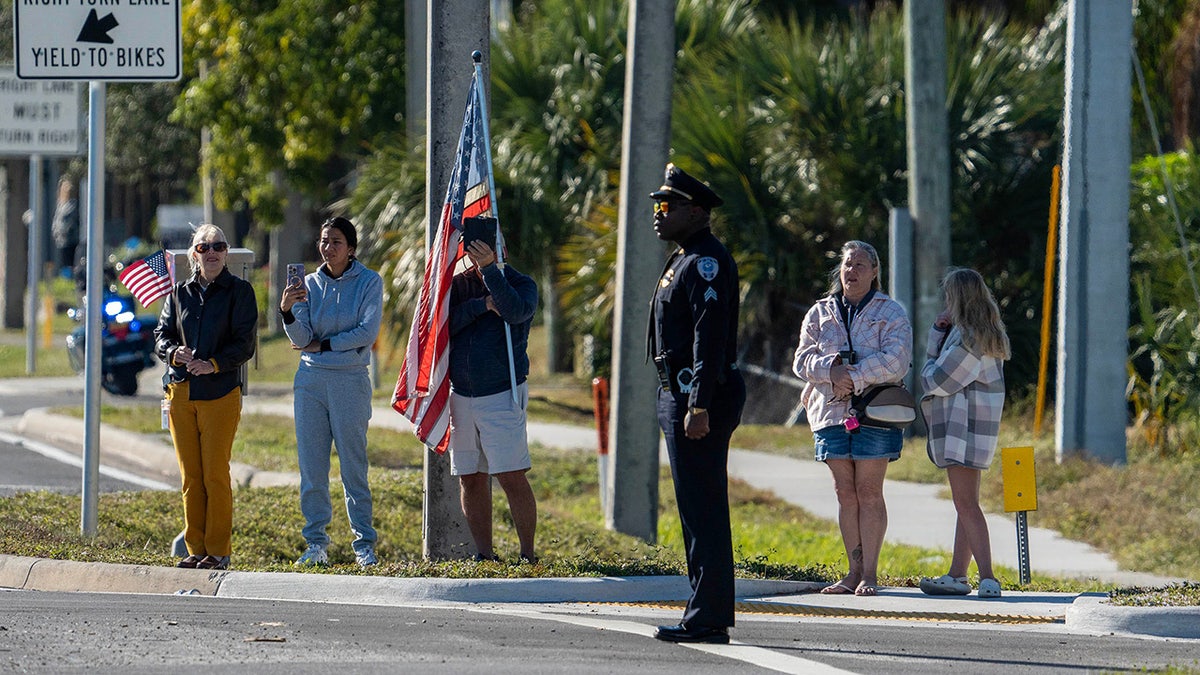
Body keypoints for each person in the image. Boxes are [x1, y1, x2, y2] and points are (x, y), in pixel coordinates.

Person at [647, 163, 746, 645]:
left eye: (667, 206)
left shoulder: (707, 260)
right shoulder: (684, 257)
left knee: (704, 508)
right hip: (680, 393)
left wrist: (698, 404)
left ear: (696, 211)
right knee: (693, 507)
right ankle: (701, 608)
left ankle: (708, 617)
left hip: (699, 397)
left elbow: (710, 339)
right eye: (657, 206)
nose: (658, 214)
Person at [792, 240, 912, 597]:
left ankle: (870, 574)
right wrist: (831, 371)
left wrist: (854, 377)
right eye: (847, 264)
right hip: (830, 412)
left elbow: (897, 359)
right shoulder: (820, 312)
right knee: (845, 493)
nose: (852, 271)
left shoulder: (891, 312)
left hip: (874, 413)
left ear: (875, 272)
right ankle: (852, 571)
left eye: (861, 265)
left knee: (869, 491)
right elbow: (801, 359)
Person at [154, 224, 258, 570]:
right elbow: (161, 335)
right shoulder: (178, 293)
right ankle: (194, 548)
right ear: (193, 255)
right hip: (181, 392)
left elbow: (244, 344)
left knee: (215, 474)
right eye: (204, 247)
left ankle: (217, 551)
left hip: (220, 394)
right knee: (191, 477)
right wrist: (173, 353)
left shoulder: (240, 291)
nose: (211, 252)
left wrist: (212, 364)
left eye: (218, 246)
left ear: (227, 253)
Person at [281, 217, 383, 568]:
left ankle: (364, 545)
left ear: (351, 248)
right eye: (324, 241)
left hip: (350, 382)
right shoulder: (307, 284)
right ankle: (315, 544)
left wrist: (323, 345)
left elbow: (366, 332)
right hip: (310, 383)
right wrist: (287, 310)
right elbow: (298, 339)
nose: (328, 247)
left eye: (336, 241)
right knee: (312, 469)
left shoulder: (370, 282)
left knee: (353, 467)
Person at [447, 216, 540, 564]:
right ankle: (484, 555)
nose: (481, 249)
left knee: (510, 475)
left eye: (489, 242)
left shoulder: (520, 282)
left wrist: (491, 272)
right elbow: (442, 326)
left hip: (502, 393)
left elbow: (516, 312)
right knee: (470, 477)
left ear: (501, 245)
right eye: (475, 244)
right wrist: (478, 306)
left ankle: (527, 555)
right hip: (462, 395)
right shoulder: (457, 285)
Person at [917, 268, 1011, 599]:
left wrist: (931, 350)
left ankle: (988, 577)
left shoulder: (970, 339)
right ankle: (958, 574)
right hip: (975, 430)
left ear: (957, 298)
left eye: (948, 296)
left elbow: (935, 380)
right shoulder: (983, 335)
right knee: (966, 504)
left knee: (966, 503)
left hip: (963, 430)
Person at [51, 178, 80, 278]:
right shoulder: (60, 205)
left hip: (70, 241)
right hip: (61, 241)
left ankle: (70, 280)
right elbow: (56, 220)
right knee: (63, 264)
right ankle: (65, 280)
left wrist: (63, 231)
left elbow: (70, 222)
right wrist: (55, 231)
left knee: (70, 263)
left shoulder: (72, 205)